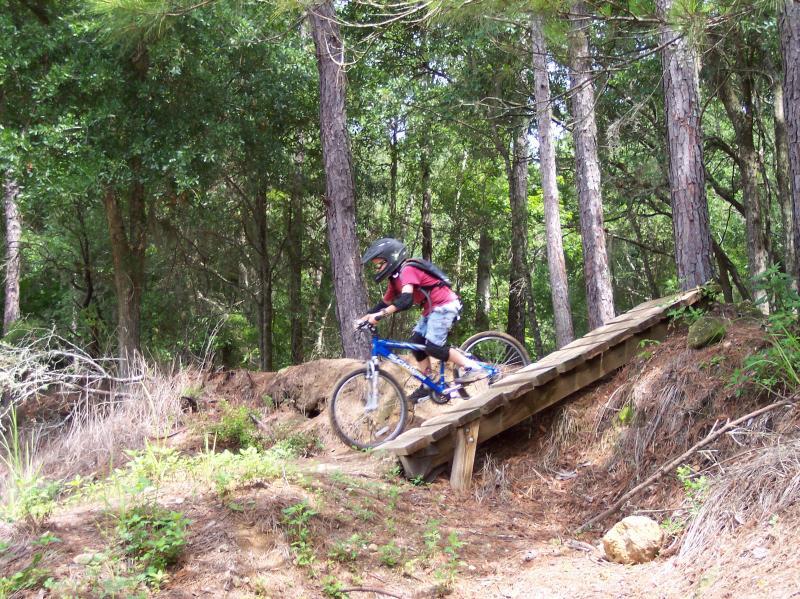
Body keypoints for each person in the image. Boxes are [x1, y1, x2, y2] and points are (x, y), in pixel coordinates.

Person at [355, 237, 487, 403]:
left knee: (433, 347)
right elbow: (385, 303)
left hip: (445, 305)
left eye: (379, 264)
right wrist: (364, 318)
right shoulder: (394, 279)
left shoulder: (407, 270)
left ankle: (471, 367)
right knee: (416, 342)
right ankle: (428, 383)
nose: (378, 269)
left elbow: (405, 300)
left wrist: (380, 315)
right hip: (431, 309)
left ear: (390, 258)